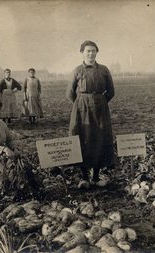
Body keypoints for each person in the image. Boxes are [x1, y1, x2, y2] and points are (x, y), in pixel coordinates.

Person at [66, 40, 115, 189]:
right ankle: (84, 177)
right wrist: (81, 104)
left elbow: (111, 92)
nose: (91, 53)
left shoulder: (104, 70)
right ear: (82, 53)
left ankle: (96, 176)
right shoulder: (77, 71)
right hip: (82, 110)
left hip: (100, 109)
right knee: (83, 139)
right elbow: (69, 93)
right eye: (88, 51)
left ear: (96, 53)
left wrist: (99, 101)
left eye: (93, 51)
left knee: (99, 139)